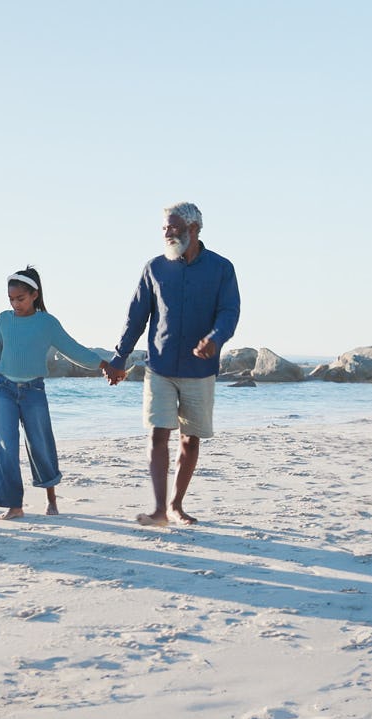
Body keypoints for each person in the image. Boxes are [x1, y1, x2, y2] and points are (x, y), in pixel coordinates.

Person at [104, 202, 241, 526]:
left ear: (193, 229)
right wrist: (119, 357)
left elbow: (229, 312)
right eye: (164, 227)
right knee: (157, 435)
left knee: (189, 439)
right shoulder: (155, 268)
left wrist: (215, 339)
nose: (166, 232)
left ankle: (177, 505)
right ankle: (158, 509)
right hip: (160, 367)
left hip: (200, 370)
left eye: (172, 227)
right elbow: (136, 315)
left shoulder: (221, 268)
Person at [0, 267, 109, 520]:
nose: (15, 304)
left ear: (34, 295)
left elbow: (73, 349)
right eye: (11, 299)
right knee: (5, 446)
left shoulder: (47, 323)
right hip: (5, 388)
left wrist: (103, 364)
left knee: (40, 445)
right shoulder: (4, 319)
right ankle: (14, 505)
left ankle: (51, 499)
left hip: (33, 392)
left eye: (21, 298)